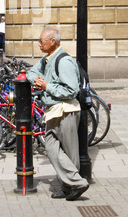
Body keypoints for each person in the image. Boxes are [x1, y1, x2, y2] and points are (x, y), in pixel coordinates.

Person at [26, 26, 89, 201]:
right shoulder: (47, 59)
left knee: (70, 153)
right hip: (54, 111)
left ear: (53, 42)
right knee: (51, 148)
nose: (39, 44)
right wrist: (37, 80)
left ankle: (70, 186)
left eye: (41, 41)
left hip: (66, 111)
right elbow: (31, 72)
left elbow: (71, 89)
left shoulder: (64, 61)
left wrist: (46, 86)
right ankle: (74, 183)